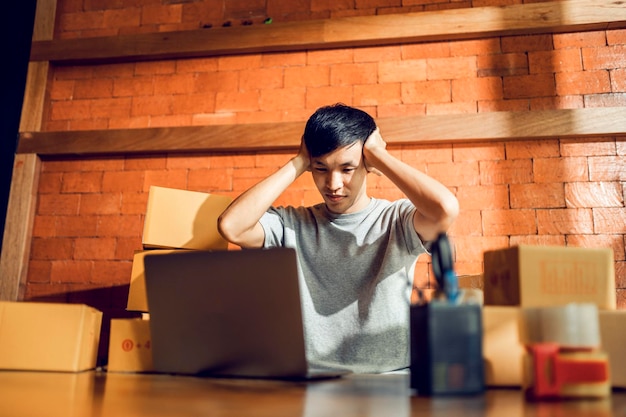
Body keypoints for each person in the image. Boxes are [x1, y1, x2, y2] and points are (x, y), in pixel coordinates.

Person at [217, 103, 459, 374]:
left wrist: (379, 154)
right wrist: (297, 162)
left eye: (347, 169)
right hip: (311, 380)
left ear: (367, 164)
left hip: (389, 381)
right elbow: (232, 226)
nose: (332, 185)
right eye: (321, 169)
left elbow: (444, 209)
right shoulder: (293, 224)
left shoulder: (397, 220)